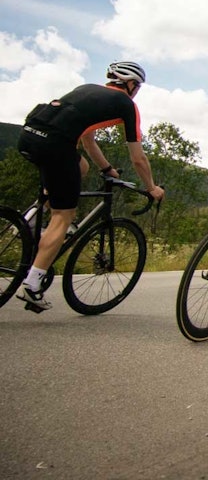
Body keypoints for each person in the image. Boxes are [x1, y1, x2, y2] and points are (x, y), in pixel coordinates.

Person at [15, 61, 167, 312]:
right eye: (137, 86)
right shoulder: (127, 105)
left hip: (30, 134)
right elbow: (138, 157)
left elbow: (87, 140)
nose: (137, 91)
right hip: (55, 145)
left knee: (81, 167)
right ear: (129, 84)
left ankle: (30, 218)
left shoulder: (86, 89)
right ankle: (32, 285)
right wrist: (151, 187)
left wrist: (107, 169)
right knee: (63, 216)